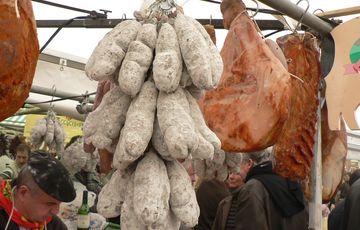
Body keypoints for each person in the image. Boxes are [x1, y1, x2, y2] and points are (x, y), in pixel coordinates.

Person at [228, 149, 307, 230]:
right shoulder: (292, 183)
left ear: (249, 163)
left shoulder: (251, 188)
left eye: (238, 166)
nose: (236, 171)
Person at [0, 150, 76, 229]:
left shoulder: (55, 225)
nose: (56, 211)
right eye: (50, 203)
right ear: (23, 193)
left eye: (59, 204)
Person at [212, 153, 253, 230]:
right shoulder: (223, 204)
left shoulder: (252, 201)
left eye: (236, 173)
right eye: (230, 173)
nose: (231, 177)